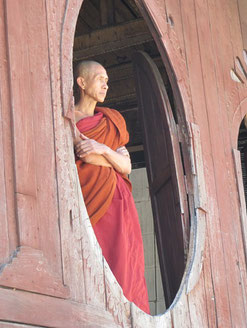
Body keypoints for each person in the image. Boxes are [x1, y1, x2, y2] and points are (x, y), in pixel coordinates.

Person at [73, 60, 150, 314]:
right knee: (94, 264)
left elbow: (126, 166)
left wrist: (101, 148)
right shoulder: (67, 118)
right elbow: (82, 155)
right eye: (99, 78)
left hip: (120, 206)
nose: (106, 84)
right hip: (91, 202)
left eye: (107, 79)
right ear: (81, 83)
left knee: (125, 265)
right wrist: (108, 158)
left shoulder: (111, 120)